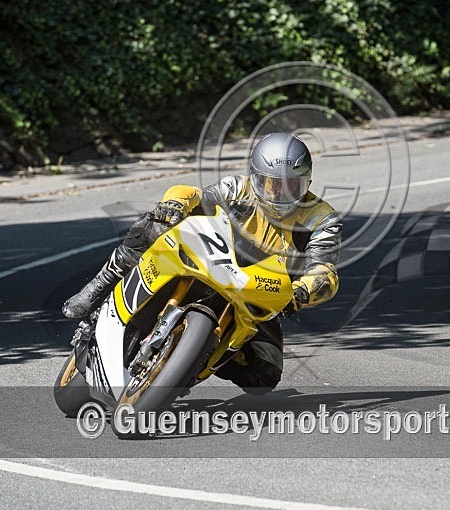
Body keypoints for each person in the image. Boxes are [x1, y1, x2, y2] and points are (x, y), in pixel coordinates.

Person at [62, 132, 342, 393]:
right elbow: (195, 195)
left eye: (292, 186)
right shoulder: (237, 189)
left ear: (307, 182)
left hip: (259, 290)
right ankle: (100, 286)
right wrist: (176, 203)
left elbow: (325, 272)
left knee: (265, 374)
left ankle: (193, 361)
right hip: (210, 258)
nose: (280, 194)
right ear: (256, 178)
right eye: (272, 184)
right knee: (157, 224)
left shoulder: (321, 219)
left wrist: (301, 292)